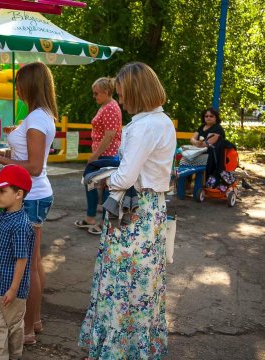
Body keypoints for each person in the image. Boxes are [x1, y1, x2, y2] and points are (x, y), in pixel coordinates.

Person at [78, 62, 175, 359]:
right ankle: (141, 348)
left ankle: (118, 350)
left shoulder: (143, 126)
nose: (120, 100)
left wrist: (101, 176)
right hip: (152, 208)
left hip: (133, 214)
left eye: (122, 94)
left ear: (135, 92)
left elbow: (124, 178)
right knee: (144, 285)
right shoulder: (163, 122)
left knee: (121, 283)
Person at [0, 62, 57, 345]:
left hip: (30, 195)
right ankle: (34, 320)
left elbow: (33, 167)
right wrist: (11, 149)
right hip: (36, 194)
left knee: (27, 266)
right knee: (34, 263)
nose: (17, 88)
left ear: (30, 85)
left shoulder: (36, 119)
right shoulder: (41, 116)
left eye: (20, 83)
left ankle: (26, 329)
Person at [0, 164, 35, 360]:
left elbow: (22, 260)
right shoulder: (4, 216)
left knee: (12, 327)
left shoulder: (20, 225)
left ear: (18, 194)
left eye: (2, 191)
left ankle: (15, 355)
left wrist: (13, 289)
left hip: (11, 289)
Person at [74, 77, 122, 235]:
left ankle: (102, 222)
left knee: (100, 184)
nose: (94, 96)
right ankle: (93, 218)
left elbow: (109, 135)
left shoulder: (109, 108)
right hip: (104, 154)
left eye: (96, 93)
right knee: (93, 183)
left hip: (107, 155)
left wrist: (95, 155)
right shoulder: (106, 105)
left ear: (106, 92)